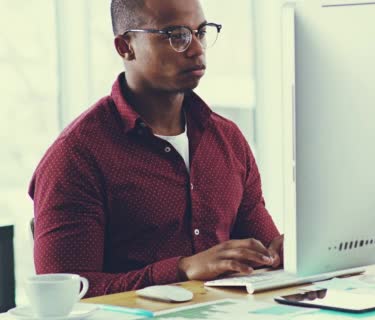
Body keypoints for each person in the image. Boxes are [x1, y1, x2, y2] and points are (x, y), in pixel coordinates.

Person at [28, 0, 283, 298]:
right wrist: (181, 269)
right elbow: (64, 296)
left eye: (200, 32)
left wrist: (283, 254)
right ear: (125, 47)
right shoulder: (76, 157)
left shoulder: (227, 140)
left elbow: (263, 255)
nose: (197, 49)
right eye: (175, 35)